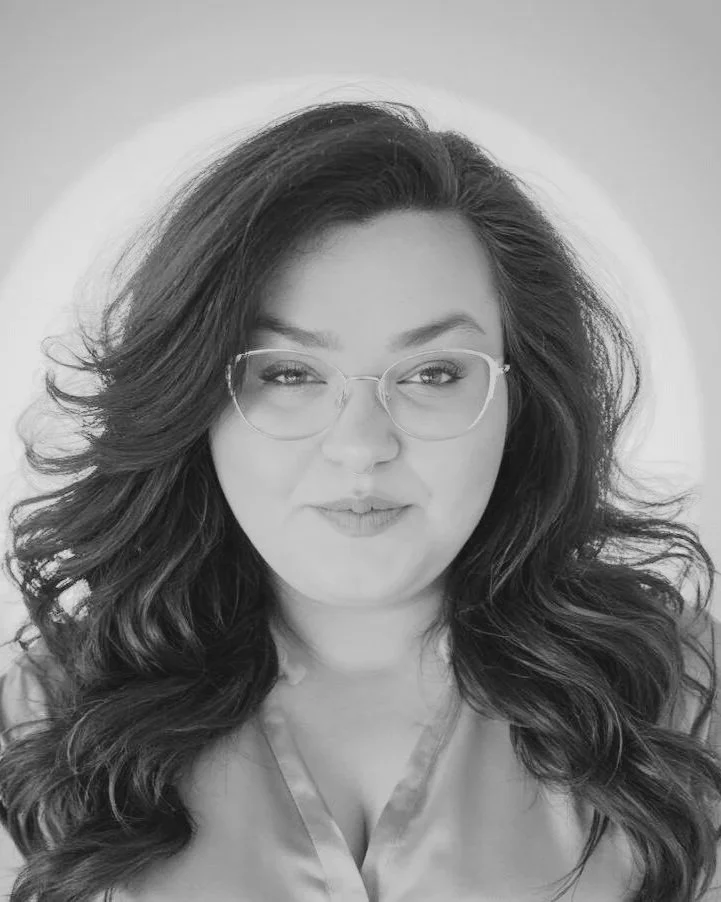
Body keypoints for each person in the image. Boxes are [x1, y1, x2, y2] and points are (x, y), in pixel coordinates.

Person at [0, 99, 719, 902]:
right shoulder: (46, 716)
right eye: (289, 374)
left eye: (434, 374)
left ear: (525, 400)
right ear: (192, 400)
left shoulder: (679, 696)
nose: (361, 445)